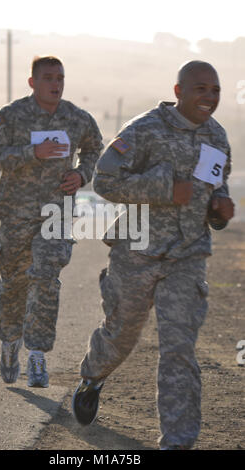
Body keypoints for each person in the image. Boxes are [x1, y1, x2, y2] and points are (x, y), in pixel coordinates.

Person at [72, 60, 235, 449]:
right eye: (201, 89)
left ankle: (177, 441)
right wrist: (164, 188)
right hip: (136, 252)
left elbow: (216, 189)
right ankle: (93, 377)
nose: (209, 97)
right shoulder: (145, 129)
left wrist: (220, 209)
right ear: (178, 91)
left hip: (187, 256)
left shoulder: (217, 137)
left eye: (215, 90)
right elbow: (105, 180)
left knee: (179, 349)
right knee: (121, 335)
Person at [0, 55, 103, 388]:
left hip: (57, 212)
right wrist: (30, 154)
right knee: (14, 279)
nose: (56, 84)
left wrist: (81, 174)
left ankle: (36, 355)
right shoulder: (13, 116)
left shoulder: (77, 119)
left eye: (60, 77)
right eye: (48, 78)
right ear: (32, 82)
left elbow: (94, 148)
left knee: (46, 276)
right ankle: (9, 340)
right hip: (17, 211)